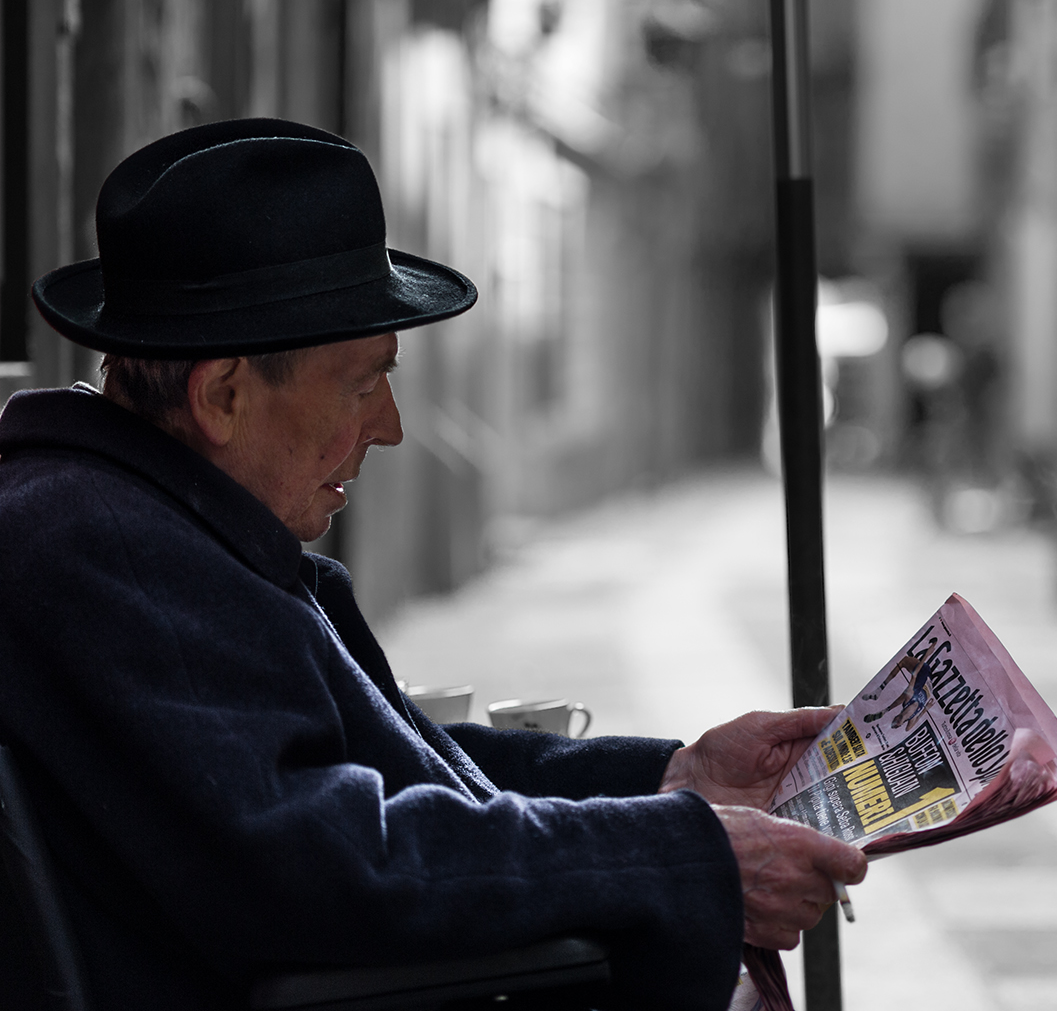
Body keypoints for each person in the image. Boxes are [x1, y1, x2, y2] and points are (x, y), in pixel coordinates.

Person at [0, 119, 865, 1011]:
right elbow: (326, 864)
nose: (392, 426)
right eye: (362, 382)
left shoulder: (141, 520)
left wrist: (669, 781)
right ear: (222, 394)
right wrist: (684, 855)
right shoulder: (104, 547)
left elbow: (370, 765)